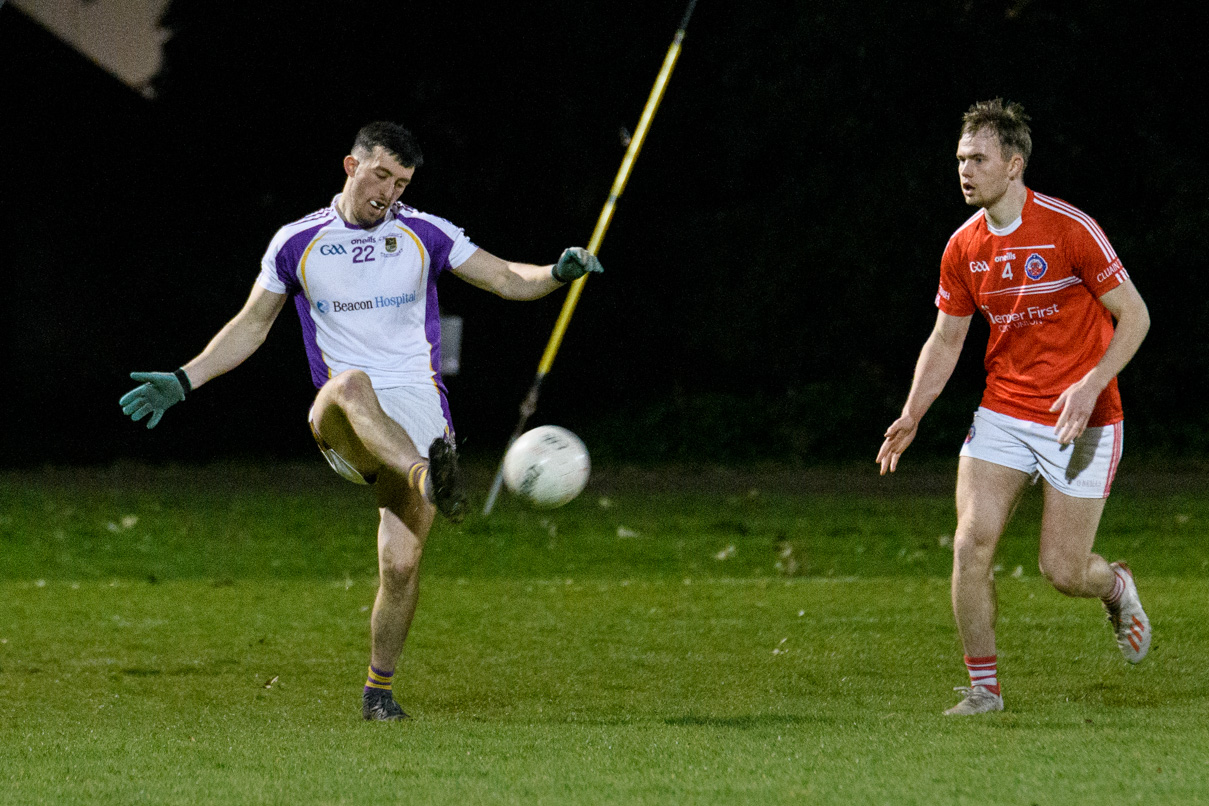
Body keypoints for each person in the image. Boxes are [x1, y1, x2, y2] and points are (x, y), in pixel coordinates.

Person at [119, 121, 602, 721]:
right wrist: (185, 378)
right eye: (382, 176)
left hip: (420, 418)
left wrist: (556, 274)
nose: (391, 192)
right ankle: (429, 478)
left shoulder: (426, 233)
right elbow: (251, 325)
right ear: (352, 167)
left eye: (401, 182)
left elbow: (505, 276)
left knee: (400, 566)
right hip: (346, 419)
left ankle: (379, 692)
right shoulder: (297, 242)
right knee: (351, 384)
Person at [875, 99, 1152, 716]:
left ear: (1014, 163)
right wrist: (914, 411)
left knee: (1063, 569)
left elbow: (1135, 317)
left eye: (977, 158)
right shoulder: (963, 247)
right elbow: (947, 339)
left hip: (1085, 420)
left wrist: (1090, 383)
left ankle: (1115, 586)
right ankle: (983, 691)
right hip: (1004, 412)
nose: (964, 170)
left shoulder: (1069, 229)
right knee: (970, 543)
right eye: (959, 159)